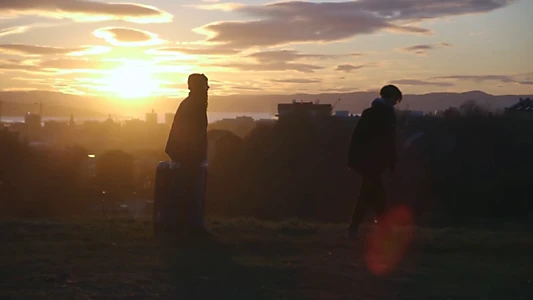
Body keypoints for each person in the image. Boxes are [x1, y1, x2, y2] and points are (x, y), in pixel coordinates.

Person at [347, 84, 402, 241]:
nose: (396, 102)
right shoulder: (379, 115)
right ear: (389, 97)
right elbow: (363, 139)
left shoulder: (382, 114)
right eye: (395, 99)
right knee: (370, 195)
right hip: (371, 162)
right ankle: (366, 227)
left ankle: (359, 228)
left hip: (373, 162)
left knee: (371, 195)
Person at [164, 73, 210, 236]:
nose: (208, 88)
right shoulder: (194, 106)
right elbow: (192, 134)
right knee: (188, 192)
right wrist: (195, 156)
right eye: (205, 84)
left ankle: (173, 224)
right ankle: (189, 226)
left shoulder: (190, 104)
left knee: (184, 191)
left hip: (187, 155)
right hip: (189, 156)